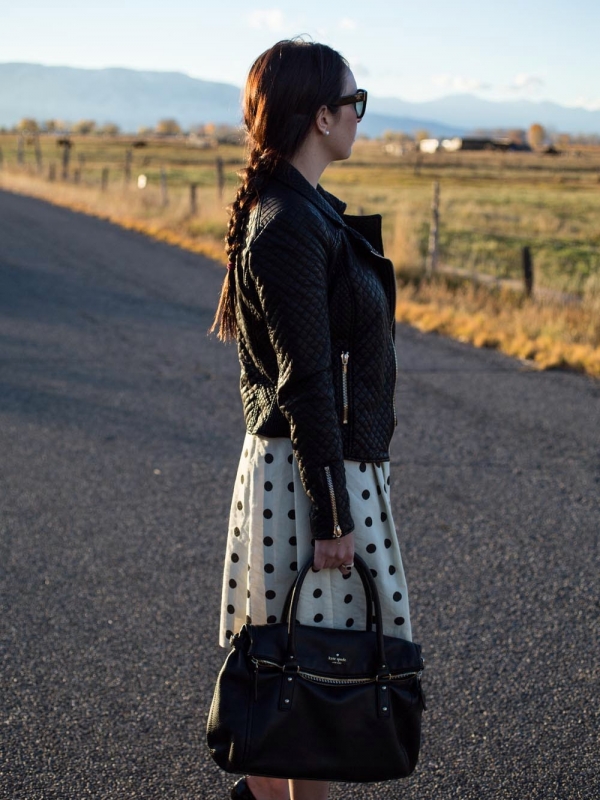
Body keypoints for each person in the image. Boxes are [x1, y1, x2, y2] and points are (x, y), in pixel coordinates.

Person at [211, 38, 412, 800]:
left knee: (303, 667)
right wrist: (332, 515)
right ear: (321, 115)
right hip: (307, 480)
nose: (360, 117)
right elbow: (306, 386)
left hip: (314, 471)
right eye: (355, 104)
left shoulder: (304, 211)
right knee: (301, 667)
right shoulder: (287, 223)